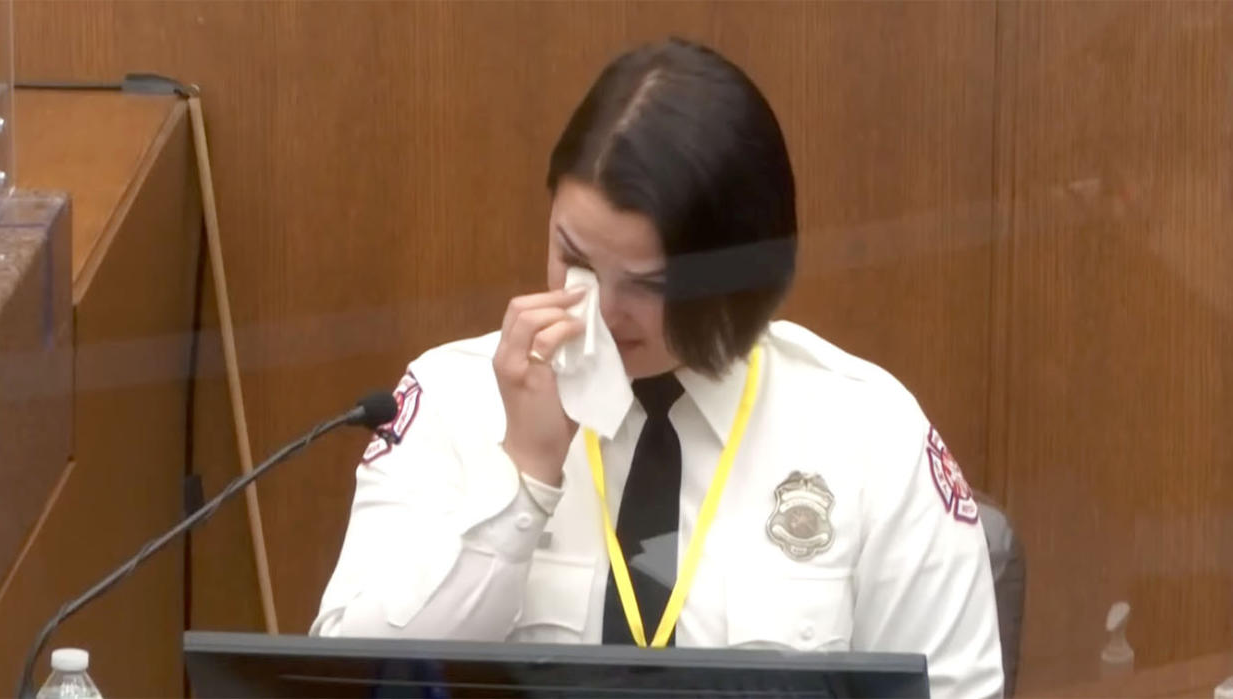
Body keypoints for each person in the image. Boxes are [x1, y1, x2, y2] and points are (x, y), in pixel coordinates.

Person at [312, 37, 1004, 697]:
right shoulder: (449, 398)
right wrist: (521, 481)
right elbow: (352, 679)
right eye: (575, 258)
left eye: (646, 285)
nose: (603, 311)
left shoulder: (867, 433)